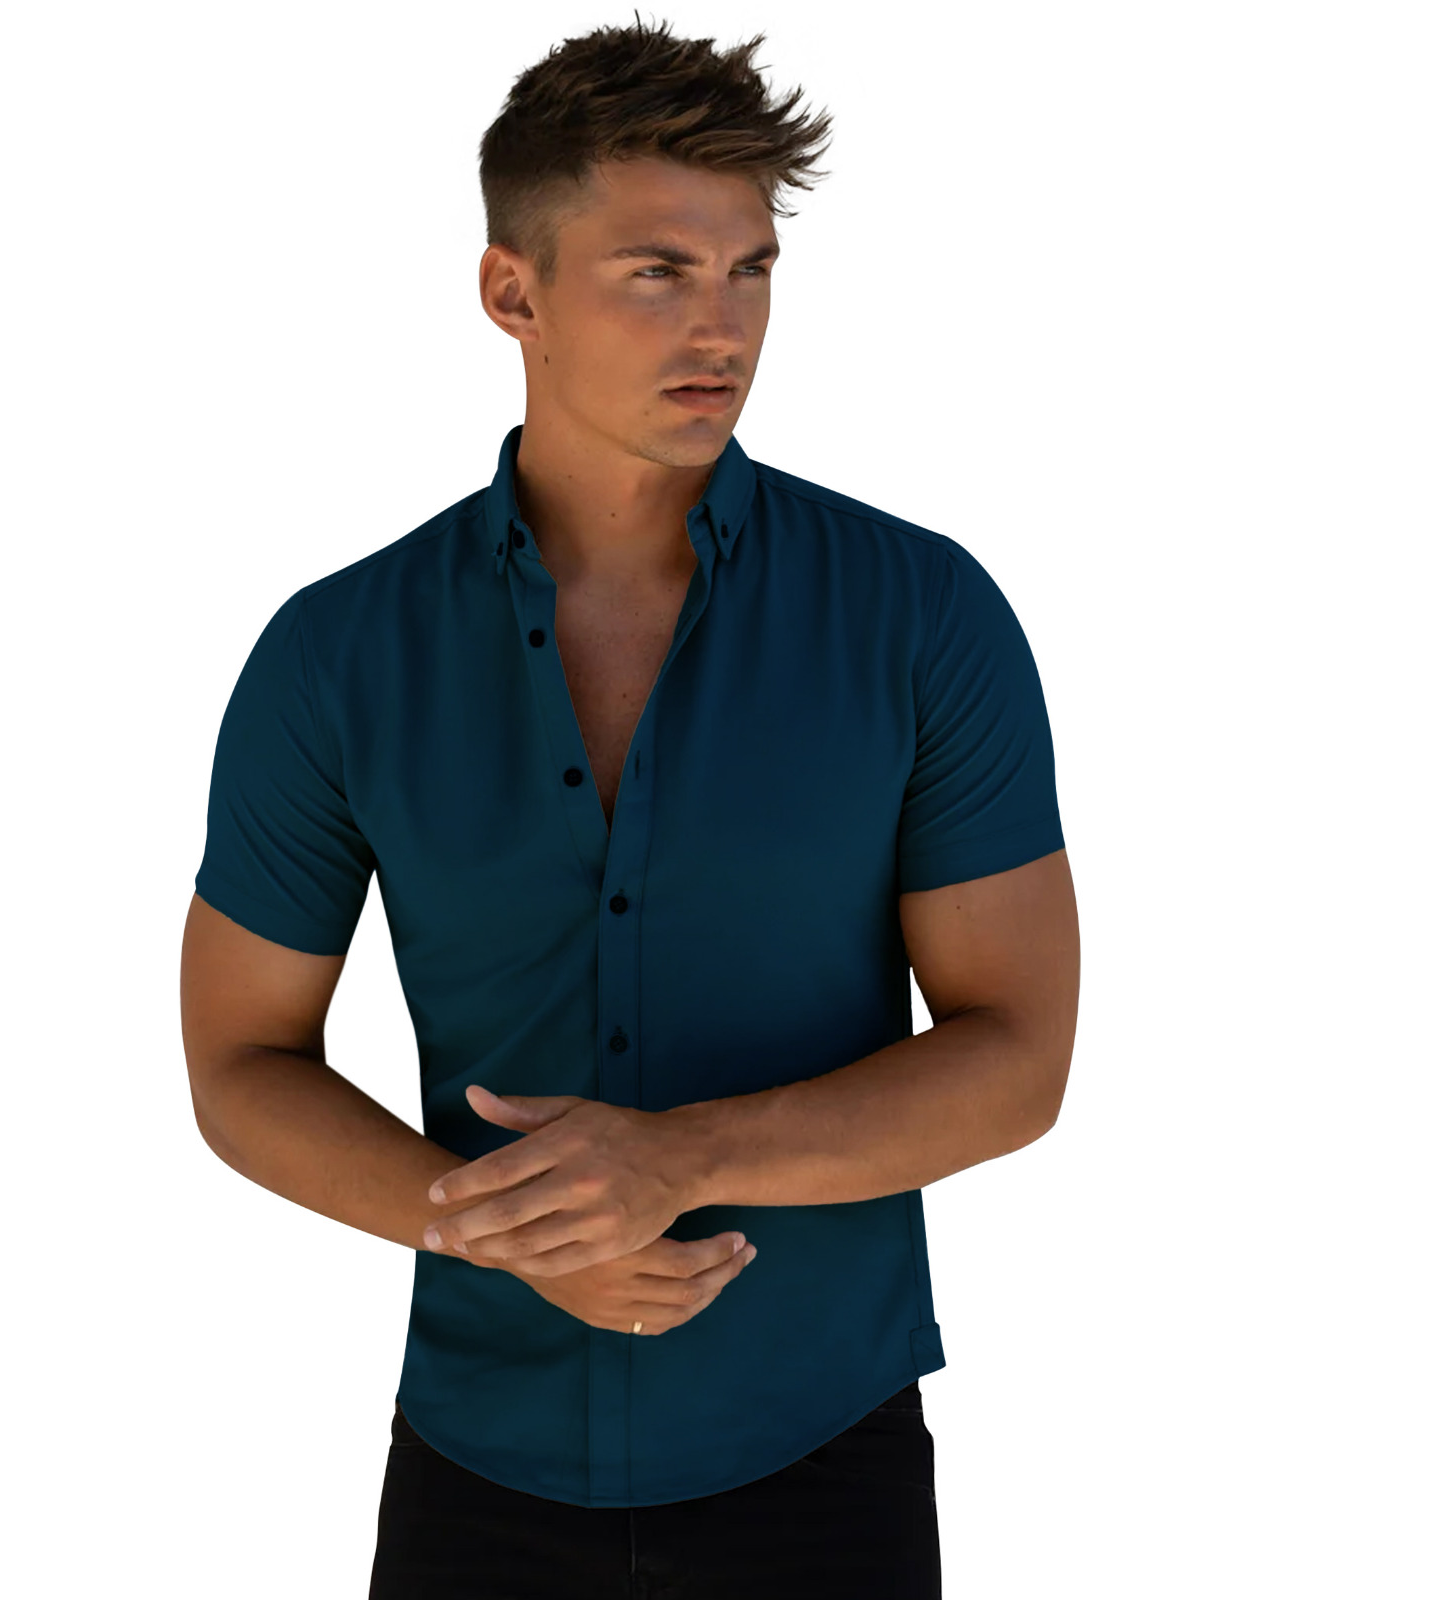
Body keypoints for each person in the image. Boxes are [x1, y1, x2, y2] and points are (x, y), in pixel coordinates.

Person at [180, 16, 1079, 1598]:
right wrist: (492, 1227)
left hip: (823, 1447)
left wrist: (680, 1158)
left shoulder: (920, 615)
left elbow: (1018, 1058)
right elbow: (241, 1061)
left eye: (751, 272)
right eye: (657, 272)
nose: (721, 325)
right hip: (478, 1458)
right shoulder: (339, 653)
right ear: (510, 292)